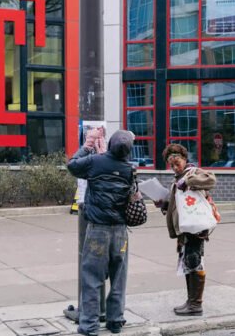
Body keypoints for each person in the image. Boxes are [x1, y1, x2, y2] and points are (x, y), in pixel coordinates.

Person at [67, 129, 136, 336]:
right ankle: (115, 321)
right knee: (118, 277)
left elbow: (72, 165)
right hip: (121, 231)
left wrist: (88, 145)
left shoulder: (95, 162)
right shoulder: (129, 169)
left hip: (98, 229)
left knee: (92, 278)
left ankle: (89, 326)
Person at [156, 143, 217, 316]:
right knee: (188, 263)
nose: (175, 167)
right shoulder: (177, 180)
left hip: (196, 228)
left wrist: (188, 181)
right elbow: (178, 205)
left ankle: (196, 305)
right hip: (185, 228)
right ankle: (191, 301)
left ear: (184, 160)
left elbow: (211, 180)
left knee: (194, 260)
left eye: (177, 163)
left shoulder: (193, 172)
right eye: (172, 165)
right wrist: (164, 204)